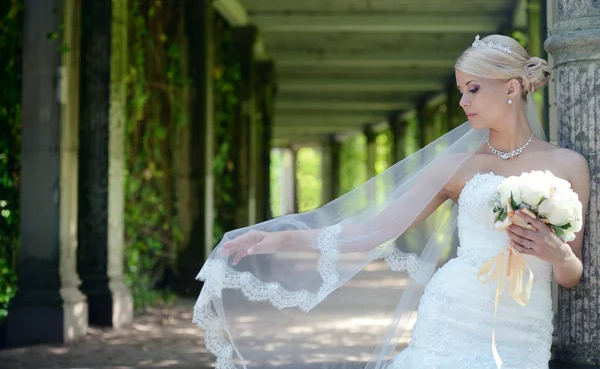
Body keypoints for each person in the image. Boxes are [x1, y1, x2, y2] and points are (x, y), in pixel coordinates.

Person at [193, 35, 590, 369]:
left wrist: (558, 254)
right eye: (459, 91)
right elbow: (374, 230)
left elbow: (570, 274)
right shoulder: (455, 166)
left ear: (511, 87)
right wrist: (280, 239)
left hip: (525, 324)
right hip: (452, 311)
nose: (462, 102)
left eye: (473, 89)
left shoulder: (567, 165)